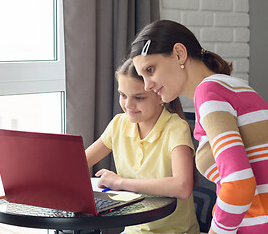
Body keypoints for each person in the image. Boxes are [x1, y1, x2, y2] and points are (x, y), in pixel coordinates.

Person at [129, 20, 268, 234]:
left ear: (179, 53)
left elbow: (239, 183)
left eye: (150, 70)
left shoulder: (209, 92)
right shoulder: (229, 87)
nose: (147, 85)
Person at [85, 58, 200, 234]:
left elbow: (182, 186)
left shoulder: (175, 128)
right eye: (123, 95)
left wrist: (122, 182)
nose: (128, 105)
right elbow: (78, 165)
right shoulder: (118, 124)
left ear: (161, 95)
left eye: (138, 97)